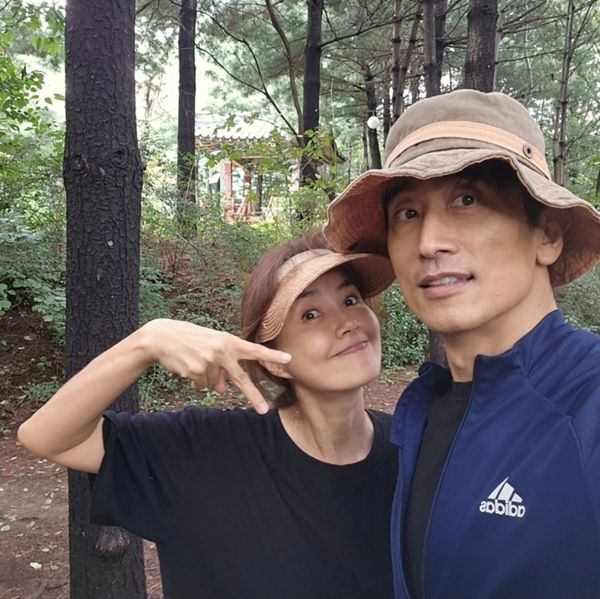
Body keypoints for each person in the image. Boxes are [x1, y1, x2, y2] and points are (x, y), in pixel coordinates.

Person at [324, 89, 600, 599]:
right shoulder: (425, 410)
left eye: (467, 200)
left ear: (548, 235)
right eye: (407, 214)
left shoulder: (587, 405)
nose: (429, 243)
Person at [17, 232, 399, 599]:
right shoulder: (203, 453)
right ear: (272, 359)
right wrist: (146, 341)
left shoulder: (414, 452)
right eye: (311, 314)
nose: (348, 322)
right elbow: (49, 436)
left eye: (351, 300)